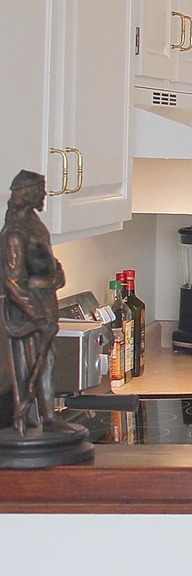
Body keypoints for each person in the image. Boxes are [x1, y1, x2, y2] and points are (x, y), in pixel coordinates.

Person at [0, 170, 70, 435]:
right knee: (30, 364)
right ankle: (31, 416)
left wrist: (57, 271)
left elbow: (46, 257)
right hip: (27, 312)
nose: (44, 195)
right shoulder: (14, 234)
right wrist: (36, 315)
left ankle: (47, 416)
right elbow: (13, 281)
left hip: (45, 301)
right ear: (28, 193)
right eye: (40, 190)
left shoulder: (34, 223)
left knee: (46, 360)